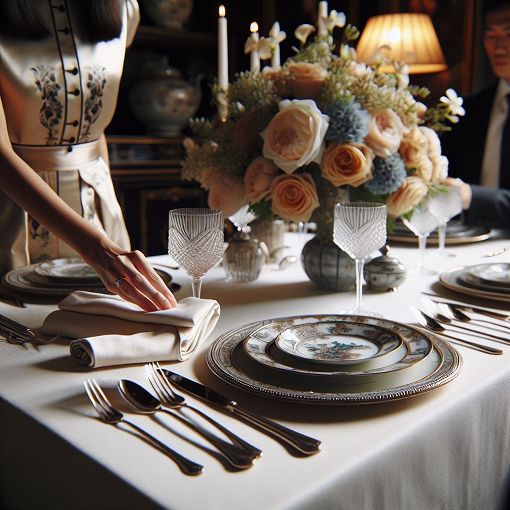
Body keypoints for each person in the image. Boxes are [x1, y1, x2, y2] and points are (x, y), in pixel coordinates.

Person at [0, 0, 177, 311]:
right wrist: (98, 250)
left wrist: (111, 239)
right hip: (11, 225)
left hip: (101, 217)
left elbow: (95, 132)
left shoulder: (123, 9)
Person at [442, 0, 510, 227]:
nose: (499, 47)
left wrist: (471, 196)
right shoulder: (468, 109)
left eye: (508, 34)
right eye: (491, 36)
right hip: (464, 244)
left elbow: (465, 193)